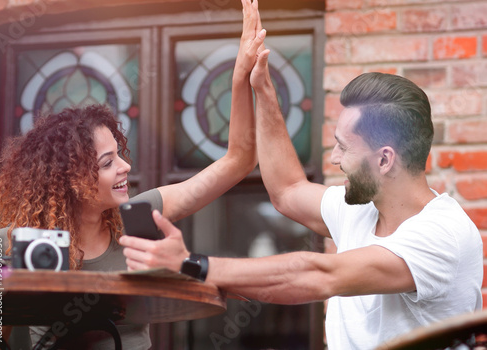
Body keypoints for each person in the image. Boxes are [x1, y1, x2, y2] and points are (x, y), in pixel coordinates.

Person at [119, 4, 483, 349]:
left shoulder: (442, 235)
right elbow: (288, 189)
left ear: (385, 160)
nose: (335, 158)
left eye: (344, 147)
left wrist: (189, 263)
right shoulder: (363, 209)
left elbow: (319, 274)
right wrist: (260, 87)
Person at [0, 1, 265, 348]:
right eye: (107, 163)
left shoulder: (137, 217)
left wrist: (239, 78)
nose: (126, 167)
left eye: (119, 154)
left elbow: (238, 161)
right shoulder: (9, 242)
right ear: (70, 181)